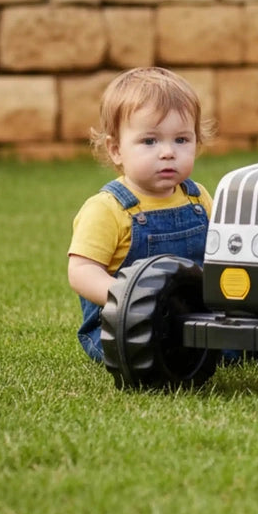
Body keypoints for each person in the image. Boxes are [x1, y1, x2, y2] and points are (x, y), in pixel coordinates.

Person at [67, 67, 215, 363]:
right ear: (116, 150)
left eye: (181, 140)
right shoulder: (107, 208)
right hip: (127, 324)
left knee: (240, 331)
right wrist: (128, 296)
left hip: (194, 314)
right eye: (150, 141)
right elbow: (81, 271)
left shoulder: (197, 198)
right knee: (150, 354)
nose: (168, 152)